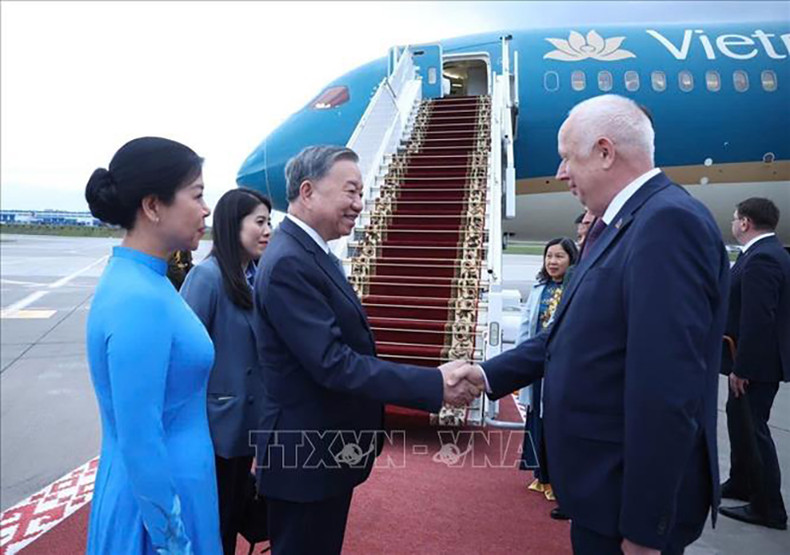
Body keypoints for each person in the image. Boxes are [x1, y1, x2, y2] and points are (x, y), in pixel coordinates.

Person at [464, 95, 730, 554]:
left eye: (568, 157)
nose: (561, 172)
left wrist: (646, 530)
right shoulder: (622, 225)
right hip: (600, 491)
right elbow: (570, 336)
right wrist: (487, 375)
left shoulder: (667, 224)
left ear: (606, 152)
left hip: (626, 503)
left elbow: (667, 389)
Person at [252, 145, 482, 554]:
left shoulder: (311, 253)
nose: (360, 204)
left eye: (361, 193)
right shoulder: (290, 261)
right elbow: (333, 364)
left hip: (323, 455)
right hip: (306, 460)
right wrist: (432, 383)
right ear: (308, 192)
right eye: (351, 192)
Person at [84, 137, 221, 553]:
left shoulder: (148, 281)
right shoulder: (138, 298)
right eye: (197, 194)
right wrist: (174, 542)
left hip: (169, 495)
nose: (205, 208)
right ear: (153, 206)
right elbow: (141, 438)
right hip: (156, 515)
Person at [180, 188, 273, 553]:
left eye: (270, 222)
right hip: (214, 429)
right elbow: (184, 357)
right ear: (234, 225)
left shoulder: (254, 276)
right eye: (260, 222)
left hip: (244, 427)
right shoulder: (207, 277)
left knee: (233, 515)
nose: (268, 230)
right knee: (213, 524)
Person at [719, 197, 789, 531]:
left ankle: (769, 508)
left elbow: (758, 318)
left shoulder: (762, 259)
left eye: (735, 218)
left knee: (754, 429)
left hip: (755, 365)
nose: (732, 224)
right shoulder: (762, 253)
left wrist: (742, 368)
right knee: (739, 421)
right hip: (751, 360)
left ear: (745, 222)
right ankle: (741, 482)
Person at [517, 237, 578, 521]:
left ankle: (559, 480)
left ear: (572, 259)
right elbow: (525, 325)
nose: (552, 262)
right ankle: (542, 475)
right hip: (539, 365)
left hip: (564, 367)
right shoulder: (539, 287)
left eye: (559, 257)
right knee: (537, 417)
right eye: (549, 256)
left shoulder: (575, 288)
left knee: (558, 419)